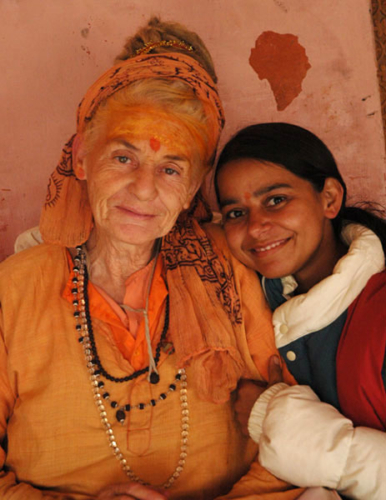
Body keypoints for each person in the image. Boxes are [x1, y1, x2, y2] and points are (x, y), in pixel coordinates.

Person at [0, 19, 313, 500]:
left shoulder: (231, 272)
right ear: (82, 157)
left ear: (191, 188)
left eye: (171, 168)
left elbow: (291, 445)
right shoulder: (15, 290)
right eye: (123, 158)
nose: (144, 190)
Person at [214, 122, 386, 500]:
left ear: (329, 199)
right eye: (236, 213)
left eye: (275, 200)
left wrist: (276, 418)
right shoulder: (252, 296)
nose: (257, 227)